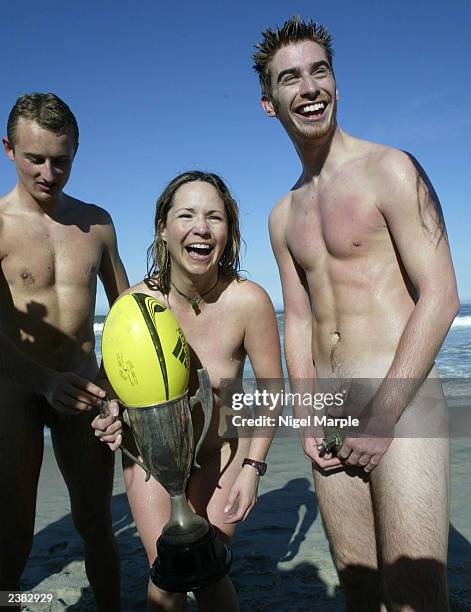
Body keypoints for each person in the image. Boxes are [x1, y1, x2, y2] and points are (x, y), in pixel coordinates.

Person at [253, 16, 459, 612]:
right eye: (289, 78)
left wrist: (383, 413)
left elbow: (441, 293)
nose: (309, 86)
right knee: (361, 591)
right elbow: (297, 319)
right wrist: (306, 411)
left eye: (320, 70)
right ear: (270, 103)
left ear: (337, 85)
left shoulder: (390, 169)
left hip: (401, 400)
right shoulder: (281, 216)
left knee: (415, 597)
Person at [93, 170, 282, 612]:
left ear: (228, 231)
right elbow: (109, 385)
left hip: (224, 455)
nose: (201, 227)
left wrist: (254, 466)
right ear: (163, 228)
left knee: (210, 571)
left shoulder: (248, 301)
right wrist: (107, 413)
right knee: (168, 581)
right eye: (187, 215)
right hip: (152, 461)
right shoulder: (135, 305)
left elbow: (271, 389)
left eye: (214, 217)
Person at [0, 92, 129, 610]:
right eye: (36, 158)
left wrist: (116, 386)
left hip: (83, 389)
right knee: (12, 530)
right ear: (8, 149)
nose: (49, 172)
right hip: (14, 390)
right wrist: (43, 381)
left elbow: (126, 313)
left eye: (61, 160)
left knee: (96, 522)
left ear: (76, 152)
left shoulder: (96, 224)